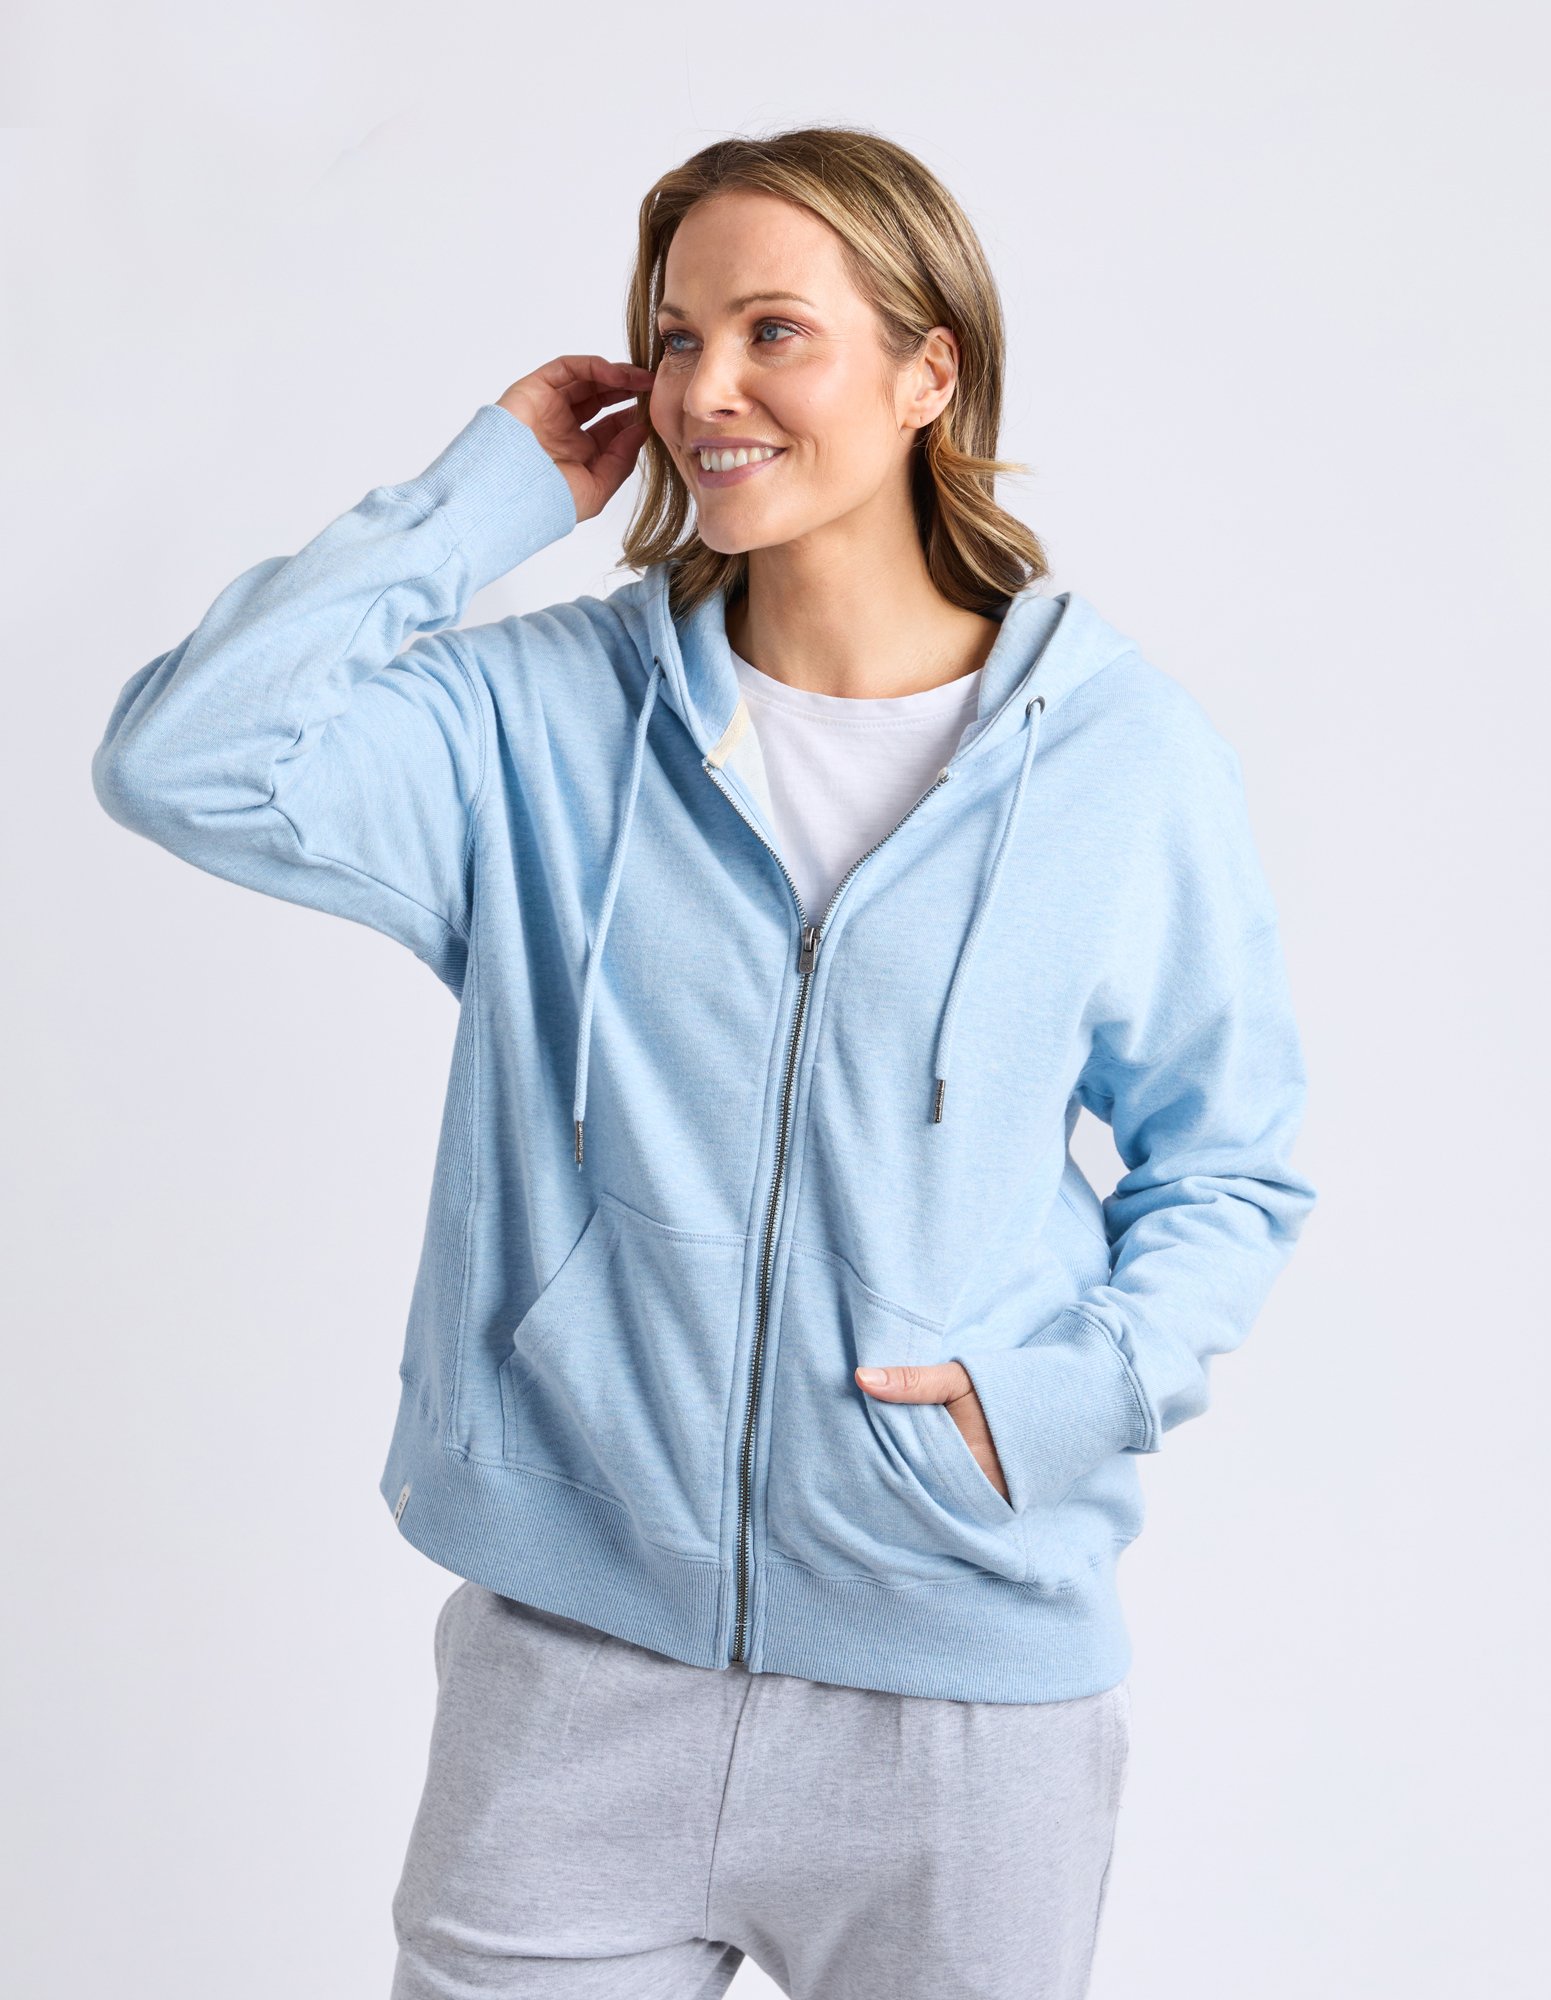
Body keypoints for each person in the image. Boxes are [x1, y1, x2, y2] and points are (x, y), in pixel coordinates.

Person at [90, 126, 1318, 1999]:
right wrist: (482, 499)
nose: (702, 389)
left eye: (772, 331)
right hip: (573, 1679)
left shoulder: (1117, 759)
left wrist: (1064, 1400)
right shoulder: (536, 722)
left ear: (929, 372)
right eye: (674, 337)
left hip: (959, 1709)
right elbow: (183, 759)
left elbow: (1227, 1164)